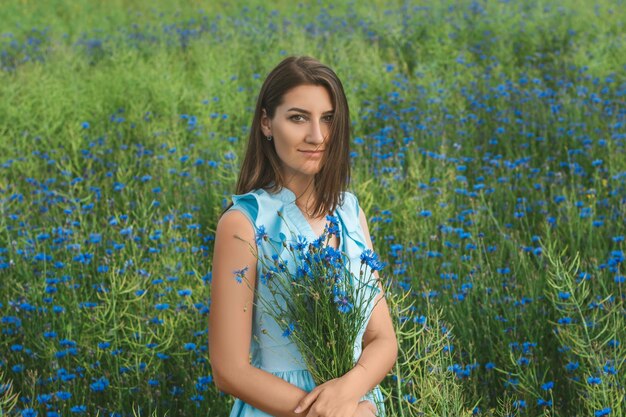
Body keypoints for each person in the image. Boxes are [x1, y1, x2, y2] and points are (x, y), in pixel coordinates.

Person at [209, 55, 398, 417]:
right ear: (267, 123)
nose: (317, 136)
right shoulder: (244, 222)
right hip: (280, 409)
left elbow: (382, 339)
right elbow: (229, 370)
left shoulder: (350, 212)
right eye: (298, 118)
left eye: (328, 119)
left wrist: (353, 396)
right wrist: (326, 412)